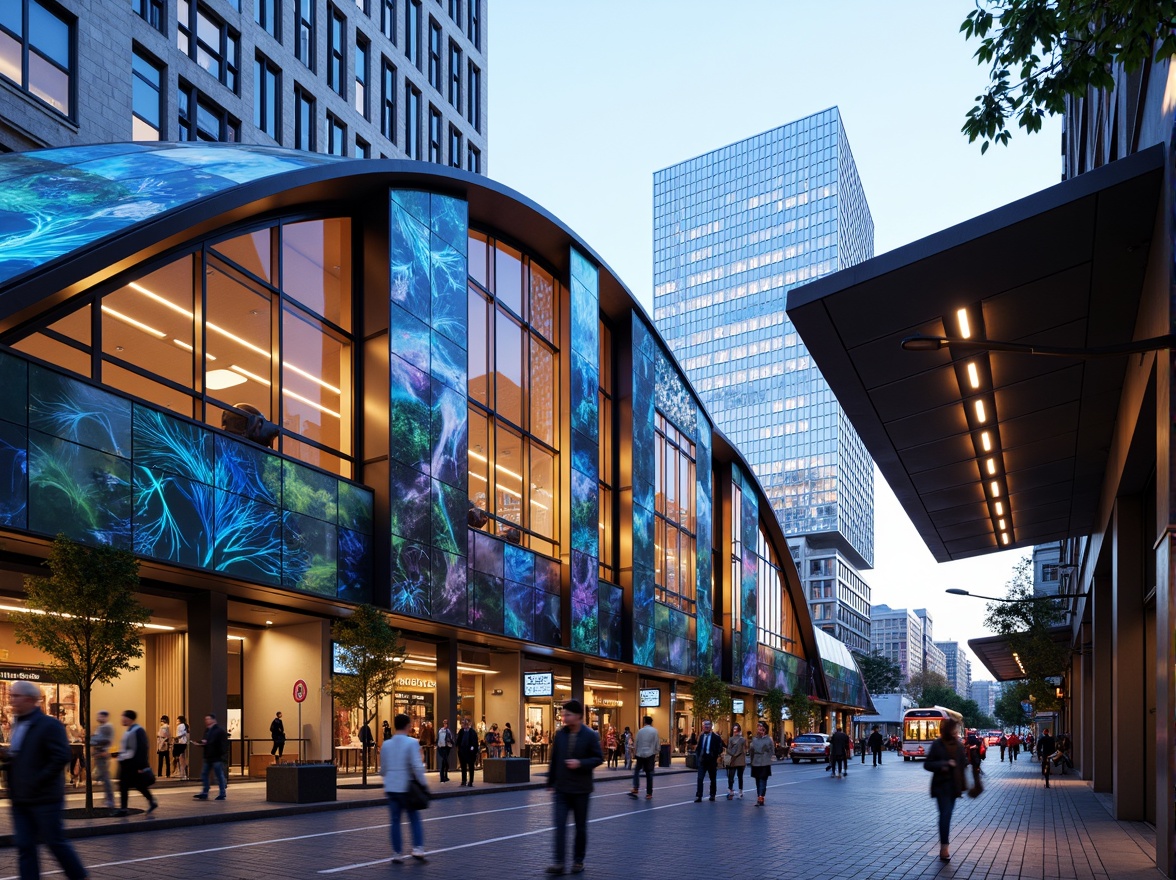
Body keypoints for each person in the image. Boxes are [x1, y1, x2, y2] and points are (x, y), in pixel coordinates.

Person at [2, 681, 89, 880]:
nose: (11, 700)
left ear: (31, 700)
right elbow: (20, 756)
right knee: (25, 846)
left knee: (55, 842)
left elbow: (61, 756)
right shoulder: (18, 724)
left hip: (45, 798)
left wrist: (37, 780)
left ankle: (79, 876)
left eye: (16, 696)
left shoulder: (50, 725)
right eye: (11, 696)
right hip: (20, 799)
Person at [545, 700, 602, 876]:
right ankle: (559, 862)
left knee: (580, 828)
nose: (564, 717)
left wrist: (580, 763)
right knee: (559, 826)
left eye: (567, 714)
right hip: (562, 789)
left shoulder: (589, 735)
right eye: (563, 714)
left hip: (581, 790)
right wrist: (551, 781)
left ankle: (578, 861)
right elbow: (554, 759)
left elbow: (598, 758)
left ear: (578, 716)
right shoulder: (560, 734)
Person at [381, 712, 428, 863]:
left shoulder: (386, 744)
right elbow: (417, 766)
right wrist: (423, 784)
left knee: (395, 820)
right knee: (413, 817)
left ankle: (397, 853)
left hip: (391, 786)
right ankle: (418, 848)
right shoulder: (412, 743)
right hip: (407, 787)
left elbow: (383, 769)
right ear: (408, 726)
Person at [924, 716, 967, 862]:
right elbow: (927, 764)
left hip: (954, 787)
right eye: (955, 729)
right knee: (945, 815)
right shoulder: (937, 744)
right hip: (941, 786)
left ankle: (944, 845)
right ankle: (944, 847)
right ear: (949, 730)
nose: (957, 732)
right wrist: (944, 764)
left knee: (946, 815)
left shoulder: (959, 745)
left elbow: (963, 765)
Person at [115, 710, 158, 816]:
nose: (122, 720)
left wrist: (141, 765)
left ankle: (123, 809)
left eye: (123, 717)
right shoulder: (129, 730)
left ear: (129, 719)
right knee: (137, 785)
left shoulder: (138, 731)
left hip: (132, 764)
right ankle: (151, 801)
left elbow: (142, 748)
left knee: (125, 785)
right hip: (127, 763)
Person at [193, 713, 229, 800]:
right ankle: (205, 791)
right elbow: (206, 741)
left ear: (213, 720)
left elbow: (222, 744)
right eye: (206, 719)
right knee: (204, 774)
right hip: (208, 756)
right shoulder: (207, 730)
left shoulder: (219, 731)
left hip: (216, 756)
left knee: (218, 774)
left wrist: (222, 754)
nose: (206, 721)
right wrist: (201, 743)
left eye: (208, 719)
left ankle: (222, 792)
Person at [693, 719, 724, 802]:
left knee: (712, 778)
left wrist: (715, 754)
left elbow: (720, 749)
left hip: (711, 761)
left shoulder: (716, 737)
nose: (706, 727)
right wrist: (698, 757)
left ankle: (712, 794)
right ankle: (699, 796)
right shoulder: (701, 736)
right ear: (703, 727)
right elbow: (698, 748)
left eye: (708, 725)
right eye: (704, 725)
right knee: (700, 778)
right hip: (702, 760)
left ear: (711, 727)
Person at [628, 715, 659, 799]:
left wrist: (635, 753)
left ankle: (636, 787)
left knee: (637, 770)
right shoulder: (654, 731)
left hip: (640, 754)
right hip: (650, 755)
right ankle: (649, 793)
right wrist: (656, 753)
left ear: (644, 721)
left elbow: (636, 743)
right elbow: (656, 743)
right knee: (649, 774)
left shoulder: (640, 731)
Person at [90, 709, 115, 809]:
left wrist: (92, 739)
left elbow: (102, 740)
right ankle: (108, 798)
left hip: (102, 755)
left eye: (100, 716)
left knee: (105, 778)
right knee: (104, 777)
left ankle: (110, 799)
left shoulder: (106, 727)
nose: (98, 718)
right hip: (99, 754)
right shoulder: (101, 727)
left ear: (104, 717)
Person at [748, 721, 774, 806]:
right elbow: (751, 750)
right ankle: (759, 795)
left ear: (765, 729)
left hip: (764, 762)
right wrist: (751, 761)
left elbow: (771, 751)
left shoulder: (768, 739)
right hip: (756, 761)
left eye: (760, 727)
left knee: (763, 780)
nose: (759, 729)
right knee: (757, 780)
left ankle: (761, 796)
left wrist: (767, 757)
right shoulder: (754, 739)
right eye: (758, 727)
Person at [724, 722, 747, 799]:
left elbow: (741, 750)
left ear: (739, 729)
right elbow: (729, 749)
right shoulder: (731, 739)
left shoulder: (742, 739)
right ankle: (731, 791)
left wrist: (732, 754)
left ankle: (739, 791)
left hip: (738, 760)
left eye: (736, 728)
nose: (735, 730)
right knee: (731, 776)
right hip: (734, 759)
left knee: (739, 776)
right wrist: (732, 753)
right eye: (734, 728)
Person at [455, 716, 479, 787]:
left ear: (469, 723)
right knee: (463, 767)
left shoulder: (472, 732)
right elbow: (458, 740)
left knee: (471, 767)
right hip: (462, 752)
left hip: (470, 753)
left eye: (466, 723)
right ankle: (463, 780)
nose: (464, 725)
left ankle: (470, 781)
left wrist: (473, 750)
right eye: (463, 723)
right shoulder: (461, 731)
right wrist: (458, 747)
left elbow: (475, 742)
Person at [965, 729, 984, 795]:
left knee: (974, 769)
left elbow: (965, 746)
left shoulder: (968, 740)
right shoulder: (977, 740)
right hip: (977, 757)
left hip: (973, 757)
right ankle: (978, 771)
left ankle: (977, 782)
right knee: (976, 767)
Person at [173, 714, 189, 779]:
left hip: (180, 743)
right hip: (184, 743)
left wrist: (175, 738)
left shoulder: (180, 726)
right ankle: (184, 774)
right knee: (183, 758)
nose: (176, 721)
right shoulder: (185, 725)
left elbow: (180, 735)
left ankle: (181, 773)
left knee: (179, 757)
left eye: (177, 720)